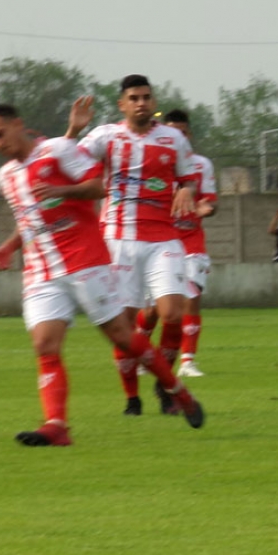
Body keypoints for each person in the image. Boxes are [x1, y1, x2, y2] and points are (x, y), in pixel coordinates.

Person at [0, 103, 204, 446]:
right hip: (41, 270)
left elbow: (98, 187)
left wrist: (61, 191)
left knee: (122, 336)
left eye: (0, 134)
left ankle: (177, 390)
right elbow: (29, 220)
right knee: (44, 344)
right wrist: (10, 246)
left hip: (84, 259)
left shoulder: (58, 150)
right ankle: (57, 426)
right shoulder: (4, 176)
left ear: (17, 125)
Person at [66, 75, 200, 415]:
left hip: (162, 239)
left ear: (153, 102)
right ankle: (132, 398)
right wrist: (73, 133)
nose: (141, 103)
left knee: (172, 313)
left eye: (146, 97)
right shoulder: (105, 136)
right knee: (123, 325)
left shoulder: (173, 139)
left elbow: (189, 177)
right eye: (134, 98)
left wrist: (186, 189)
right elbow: (66, 163)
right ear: (122, 104)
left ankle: (164, 383)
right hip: (118, 239)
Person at [134, 109, 218, 379]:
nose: (177, 136)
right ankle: (141, 355)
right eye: (173, 132)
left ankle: (188, 361)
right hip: (159, 244)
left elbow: (211, 202)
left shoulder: (201, 165)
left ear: (188, 135)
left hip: (192, 244)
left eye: (182, 132)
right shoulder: (151, 161)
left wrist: (207, 209)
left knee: (191, 300)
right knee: (151, 311)